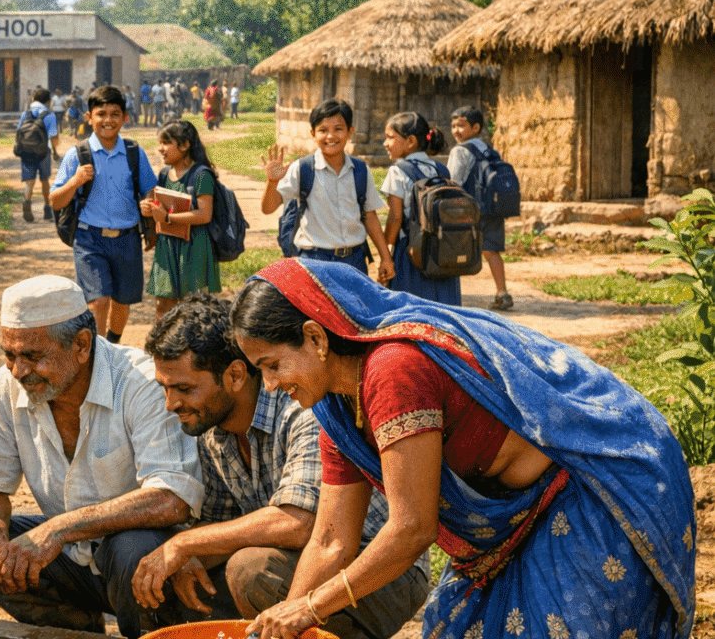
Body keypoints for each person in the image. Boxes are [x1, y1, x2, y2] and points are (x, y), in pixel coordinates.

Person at [232, 258, 696, 639]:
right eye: (261, 371)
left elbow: (412, 529)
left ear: (315, 338)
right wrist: (283, 622)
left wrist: (308, 609)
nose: (270, 386)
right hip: (505, 534)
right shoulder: (338, 416)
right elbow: (331, 541)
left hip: (584, 494)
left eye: (273, 366)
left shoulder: (393, 372)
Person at [134, 296, 428, 639]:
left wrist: (184, 544)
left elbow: (298, 525)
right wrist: (187, 559)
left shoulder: (304, 407)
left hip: (379, 568)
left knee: (251, 570)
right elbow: (222, 525)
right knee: (177, 577)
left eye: (183, 389)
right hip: (306, 561)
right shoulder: (211, 428)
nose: (171, 404)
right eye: (165, 389)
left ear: (235, 375)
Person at [0, 275, 205, 639]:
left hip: (135, 562)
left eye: (33, 357)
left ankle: (148, 632)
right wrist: (1, 549)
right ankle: (72, 626)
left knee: (134, 548)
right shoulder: (7, 385)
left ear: (82, 345)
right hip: (68, 557)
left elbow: (172, 497)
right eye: (10, 356)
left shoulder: (140, 382)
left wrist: (58, 530)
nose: (19, 371)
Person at [50, 85, 157, 343]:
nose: (107, 120)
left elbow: (150, 190)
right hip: (89, 239)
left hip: (127, 237)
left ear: (125, 118)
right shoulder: (77, 155)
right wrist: (75, 181)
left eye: (114, 114)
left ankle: (112, 344)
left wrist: (149, 204)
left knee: (122, 301)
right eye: (101, 114)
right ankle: (98, 354)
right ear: (89, 117)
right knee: (98, 301)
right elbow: (55, 201)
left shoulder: (134, 153)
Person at [262, 99, 393, 284]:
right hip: (314, 260)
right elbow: (268, 208)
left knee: (352, 312)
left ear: (350, 132)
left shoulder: (360, 170)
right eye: (323, 130)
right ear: (313, 134)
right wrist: (272, 181)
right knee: (315, 313)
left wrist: (385, 258)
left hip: (354, 260)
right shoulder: (302, 169)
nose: (330, 136)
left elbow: (369, 216)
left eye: (338, 129)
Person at [140, 120, 220, 320]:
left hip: (193, 247)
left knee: (193, 308)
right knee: (163, 305)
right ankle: (164, 350)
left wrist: (167, 217)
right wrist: (148, 209)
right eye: (160, 143)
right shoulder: (165, 174)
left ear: (184, 146)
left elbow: (204, 214)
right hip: (167, 247)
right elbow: (160, 204)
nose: (161, 149)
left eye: (166, 143)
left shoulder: (201, 176)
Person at [380, 111, 458, 305]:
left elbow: (395, 217)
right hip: (442, 250)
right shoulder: (442, 169)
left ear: (411, 141)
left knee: (412, 309)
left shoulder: (398, 171)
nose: (385, 143)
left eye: (390, 137)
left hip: (411, 252)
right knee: (442, 307)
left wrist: (386, 250)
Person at [448, 106, 511, 310]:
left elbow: (454, 181)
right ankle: (502, 292)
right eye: (454, 126)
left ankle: (451, 294)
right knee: (491, 250)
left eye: (461, 125)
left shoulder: (460, 150)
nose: (456, 130)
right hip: (492, 207)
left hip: (470, 209)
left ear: (475, 128)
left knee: (453, 249)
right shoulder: (488, 149)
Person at [17, 87, 60, 223]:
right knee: (44, 180)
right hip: (43, 152)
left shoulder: (26, 113)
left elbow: (19, 131)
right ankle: (47, 210)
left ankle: (26, 204)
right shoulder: (50, 115)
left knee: (29, 182)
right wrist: (55, 152)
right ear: (47, 101)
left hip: (26, 151)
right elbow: (53, 137)